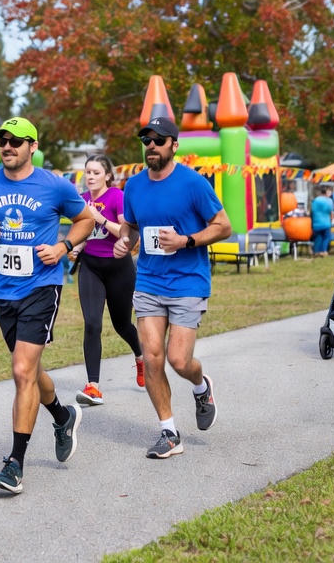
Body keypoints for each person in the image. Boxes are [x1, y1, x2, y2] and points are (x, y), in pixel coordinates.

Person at [0, 117, 95, 495]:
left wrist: (63, 247)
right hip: (3, 291)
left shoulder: (54, 185)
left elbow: (85, 219)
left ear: (33, 146)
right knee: (30, 371)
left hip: (41, 286)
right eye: (3, 140)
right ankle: (63, 416)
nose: (8, 146)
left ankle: (15, 464)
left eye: (16, 141)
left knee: (21, 370)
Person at [112, 116, 231, 460]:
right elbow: (131, 227)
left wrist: (186, 240)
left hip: (188, 281)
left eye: (158, 140)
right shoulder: (133, 186)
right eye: (146, 140)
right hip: (149, 279)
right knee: (152, 357)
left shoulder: (193, 184)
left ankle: (200, 385)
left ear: (174, 145)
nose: (151, 146)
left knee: (179, 360)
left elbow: (223, 226)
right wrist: (124, 242)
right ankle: (169, 431)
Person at [69, 153, 143, 406]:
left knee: (122, 324)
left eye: (96, 172)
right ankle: (93, 386)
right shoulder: (82, 201)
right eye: (87, 172)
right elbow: (83, 234)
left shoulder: (117, 197)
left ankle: (141, 355)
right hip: (91, 267)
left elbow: (126, 233)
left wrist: (99, 218)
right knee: (92, 323)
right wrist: (75, 248)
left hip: (119, 268)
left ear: (108, 176)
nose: (90, 177)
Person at [310, 185, 334, 257]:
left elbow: (312, 211)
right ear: (326, 192)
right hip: (326, 222)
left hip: (316, 223)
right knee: (326, 237)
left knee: (318, 238)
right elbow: (331, 212)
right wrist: (332, 220)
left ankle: (317, 251)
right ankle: (324, 251)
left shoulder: (315, 200)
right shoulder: (329, 200)